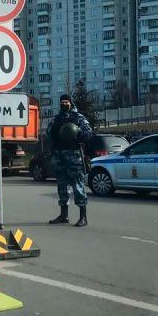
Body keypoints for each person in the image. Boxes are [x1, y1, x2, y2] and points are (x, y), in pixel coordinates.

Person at [47, 93, 93, 227]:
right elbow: (49, 134)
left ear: (71, 103)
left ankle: (83, 217)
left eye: (66, 102)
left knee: (78, 186)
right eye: (62, 102)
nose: (64, 104)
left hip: (74, 157)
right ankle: (63, 215)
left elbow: (88, 134)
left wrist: (77, 131)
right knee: (62, 187)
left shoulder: (78, 118)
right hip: (59, 156)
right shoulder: (56, 119)